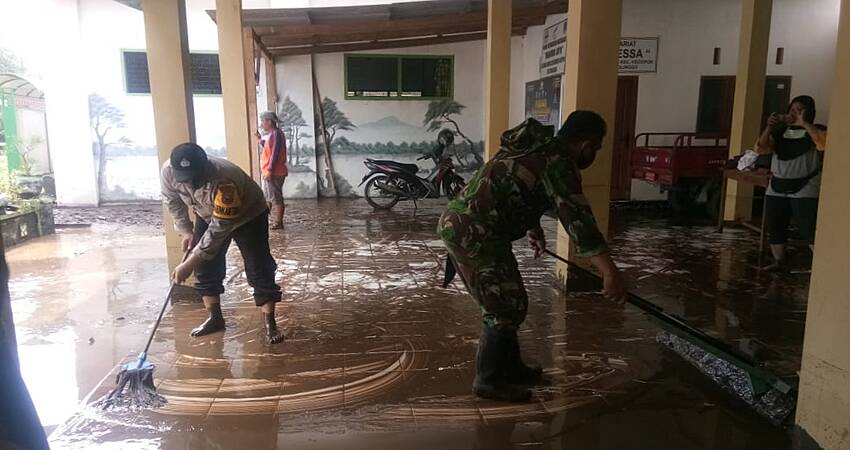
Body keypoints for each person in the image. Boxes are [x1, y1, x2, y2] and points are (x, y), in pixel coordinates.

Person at [438, 111, 627, 402]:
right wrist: (609, 272)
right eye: (597, 148)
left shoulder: (537, 150)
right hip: (474, 231)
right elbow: (578, 219)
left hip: (473, 226)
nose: (595, 155)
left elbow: (518, 189)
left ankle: (511, 368)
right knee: (501, 306)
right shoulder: (558, 160)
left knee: (512, 300)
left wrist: (534, 228)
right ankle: (488, 380)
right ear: (586, 144)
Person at [161, 143, 284, 344]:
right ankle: (215, 318)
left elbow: (219, 229)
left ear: (205, 167)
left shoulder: (225, 181)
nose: (190, 183)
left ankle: (270, 322)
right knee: (206, 266)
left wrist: (189, 263)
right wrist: (185, 231)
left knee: (258, 265)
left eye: (195, 177)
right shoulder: (168, 171)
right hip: (206, 212)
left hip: (248, 215)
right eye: (185, 178)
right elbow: (172, 201)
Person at [755, 95, 827, 271]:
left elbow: (822, 143)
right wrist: (769, 127)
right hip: (777, 185)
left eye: (799, 110)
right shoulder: (780, 131)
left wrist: (804, 124)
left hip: (805, 185)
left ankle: (822, 266)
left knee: (808, 225)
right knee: (776, 224)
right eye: (792, 110)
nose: (795, 113)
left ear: (809, 112)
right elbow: (761, 147)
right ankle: (779, 260)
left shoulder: (816, 130)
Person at [259, 111, 287, 230]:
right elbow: (269, 149)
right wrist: (260, 140)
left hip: (274, 172)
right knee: (268, 197)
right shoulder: (274, 134)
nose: (262, 124)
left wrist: (270, 170)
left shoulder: (276, 134)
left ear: (269, 121)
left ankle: (278, 223)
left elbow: (274, 154)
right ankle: (263, 221)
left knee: (275, 198)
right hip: (271, 172)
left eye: (263, 121)